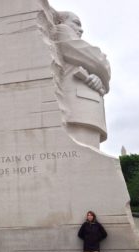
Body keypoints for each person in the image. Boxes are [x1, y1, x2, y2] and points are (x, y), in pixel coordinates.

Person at [39, 1, 111, 148]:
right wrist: (102, 65)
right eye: (76, 23)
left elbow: (96, 68)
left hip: (88, 107)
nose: (81, 30)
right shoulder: (61, 30)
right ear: (59, 21)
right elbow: (99, 62)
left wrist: (99, 80)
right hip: (78, 109)